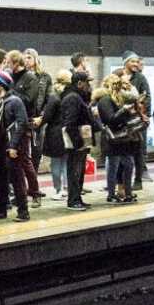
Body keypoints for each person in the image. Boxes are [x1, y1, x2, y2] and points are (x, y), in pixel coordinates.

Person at [0, 70, 31, 222]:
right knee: (0, 179)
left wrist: (13, 146)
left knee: (16, 178)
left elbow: (22, 123)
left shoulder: (15, 101)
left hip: (12, 146)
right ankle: (1, 209)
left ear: (2, 85)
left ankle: (23, 211)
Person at [5, 50, 43, 207]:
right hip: (9, 124)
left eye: (8, 62)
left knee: (25, 160)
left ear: (15, 63)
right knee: (14, 162)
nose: (6, 65)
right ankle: (20, 193)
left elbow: (29, 100)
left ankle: (35, 193)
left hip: (24, 123)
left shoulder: (30, 78)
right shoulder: (11, 77)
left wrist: (11, 90)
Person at [97, 74, 142, 203]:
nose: (120, 88)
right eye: (117, 85)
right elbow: (110, 119)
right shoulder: (104, 100)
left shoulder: (117, 99)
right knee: (113, 166)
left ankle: (128, 192)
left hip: (122, 137)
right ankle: (111, 194)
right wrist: (124, 111)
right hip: (112, 138)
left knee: (128, 164)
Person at [60, 71, 97, 211]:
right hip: (75, 143)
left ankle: (77, 198)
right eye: (87, 82)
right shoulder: (73, 98)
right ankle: (73, 200)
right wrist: (79, 143)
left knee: (78, 171)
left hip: (78, 142)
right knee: (74, 171)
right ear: (80, 83)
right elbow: (70, 123)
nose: (89, 86)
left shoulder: (76, 97)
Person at [38, 70, 71, 200]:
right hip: (67, 131)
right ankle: (66, 188)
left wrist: (39, 122)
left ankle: (58, 190)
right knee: (65, 162)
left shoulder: (54, 96)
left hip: (55, 133)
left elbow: (47, 116)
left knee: (56, 163)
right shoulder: (70, 95)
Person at [122, 51, 151, 186]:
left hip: (137, 120)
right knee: (123, 152)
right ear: (125, 63)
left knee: (138, 151)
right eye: (132, 61)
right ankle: (120, 181)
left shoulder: (141, 78)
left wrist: (144, 115)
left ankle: (138, 179)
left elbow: (147, 97)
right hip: (122, 119)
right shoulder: (118, 76)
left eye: (136, 61)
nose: (135, 64)